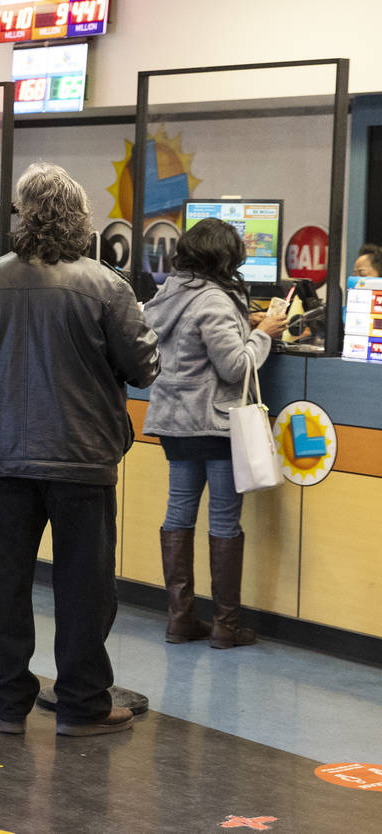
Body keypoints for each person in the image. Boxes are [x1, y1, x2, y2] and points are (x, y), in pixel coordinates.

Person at [0, 162, 160, 737]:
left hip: (4, 456)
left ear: (20, 217)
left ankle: (8, 706)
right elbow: (144, 367)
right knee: (85, 586)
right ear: (80, 220)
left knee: (3, 583)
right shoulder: (108, 286)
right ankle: (83, 704)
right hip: (84, 457)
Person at [142, 218, 287, 649]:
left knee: (178, 515)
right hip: (216, 425)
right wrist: (263, 334)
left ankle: (180, 618)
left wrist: (248, 325)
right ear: (224, 258)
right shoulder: (216, 301)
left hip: (175, 423)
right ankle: (227, 624)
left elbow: (192, 345)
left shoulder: (168, 294)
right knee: (224, 521)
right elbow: (236, 367)